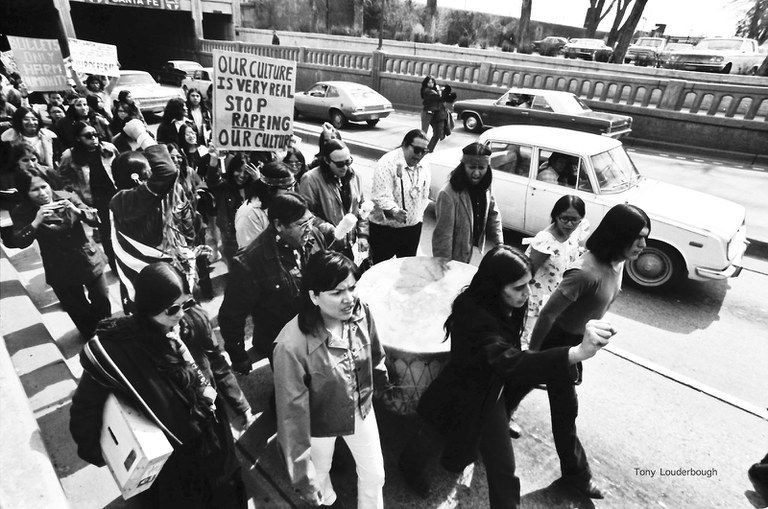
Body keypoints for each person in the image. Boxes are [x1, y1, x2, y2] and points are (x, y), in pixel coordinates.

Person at [398, 246, 615, 508]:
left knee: (503, 467)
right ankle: (408, 468)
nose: (528, 293)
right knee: (431, 435)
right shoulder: (474, 315)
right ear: (495, 286)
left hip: (490, 394)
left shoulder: (503, 304)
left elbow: (512, 358)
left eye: (529, 284)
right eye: (518, 287)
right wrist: (577, 352)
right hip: (461, 391)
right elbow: (512, 361)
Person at [69, 262, 254, 509]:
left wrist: (240, 404)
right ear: (148, 308)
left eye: (186, 303)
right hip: (176, 463)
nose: (180, 314)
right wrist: (107, 455)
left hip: (215, 438)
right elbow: (85, 407)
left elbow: (217, 362)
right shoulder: (119, 349)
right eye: (171, 309)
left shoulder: (193, 321)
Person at [527, 203, 651, 499]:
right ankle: (578, 476)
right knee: (565, 411)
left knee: (514, 388)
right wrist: (533, 353)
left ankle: (489, 420)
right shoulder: (584, 272)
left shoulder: (617, 263)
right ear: (619, 235)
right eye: (638, 237)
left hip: (574, 342)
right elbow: (548, 315)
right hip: (556, 343)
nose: (644, 245)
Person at [274, 250, 389, 508]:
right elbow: (291, 417)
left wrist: (381, 384)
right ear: (314, 296)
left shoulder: (361, 312)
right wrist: (304, 477)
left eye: (352, 288)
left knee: (375, 474)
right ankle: (327, 500)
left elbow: (375, 354)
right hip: (319, 424)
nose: (348, 299)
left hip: (361, 408)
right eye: (337, 293)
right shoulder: (290, 346)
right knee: (320, 471)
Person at [217, 192, 336, 374]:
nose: (309, 228)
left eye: (310, 221)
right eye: (301, 224)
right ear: (279, 225)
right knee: (292, 389)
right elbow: (231, 315)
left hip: (319, 330)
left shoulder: (314, 236)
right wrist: (238, 355)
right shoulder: (250, 262)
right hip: (282, 342)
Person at [11, 167, 110, 339]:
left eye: (44, 186)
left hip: (87, 259)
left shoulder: (67, 197)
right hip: (60, 268)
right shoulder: (23, 211)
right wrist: (35, 222)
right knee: (78, 311)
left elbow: (96, 220)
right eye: (34, 190)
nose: (42, 193)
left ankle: (108, 334)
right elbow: (19, 241)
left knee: (102, 299)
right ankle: (93, 339)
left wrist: (77, 211)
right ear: (25, 192)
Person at [521, 195, 589, 345]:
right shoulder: (545, 241)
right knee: (528, 340)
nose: (569, 224)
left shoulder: (575, 233)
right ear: (556, 216)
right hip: (536, 301)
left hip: (556, 299)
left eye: (575, 220)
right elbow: (527, 272)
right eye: (564, 218)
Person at [58, 121, 120, 270]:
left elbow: (120, 165)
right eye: (88, 135)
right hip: (95, 200)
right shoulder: (70, 155)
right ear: (79, 138)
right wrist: (75, 193)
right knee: (107, 234)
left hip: (115, 194)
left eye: (95, 134)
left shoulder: (108, 148)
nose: (93, 138)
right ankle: (114, 264)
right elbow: (61, 178)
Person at [432, 142, 502, 264]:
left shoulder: (486, 186)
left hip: (472, 251)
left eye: (481, 168)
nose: (476, 173)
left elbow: (493, 214)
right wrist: (443, 265)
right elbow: (443, 236)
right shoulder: (448, 194)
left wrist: (499, 243)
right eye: (471, 167)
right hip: (454, 257)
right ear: (463, 166)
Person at [299, 139, 369, 261]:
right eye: (340, 164)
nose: (345, 167)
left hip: (351, 246)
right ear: (326, 160)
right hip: (326, 248)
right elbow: (305, 214)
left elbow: (363, 208)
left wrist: (363, 235)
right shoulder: (310, 180)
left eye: (348, 162)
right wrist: (331, 230)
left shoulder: (355, 176)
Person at [369, 129, 430, 264]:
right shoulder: (387, 162)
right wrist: (394, 211)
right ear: (405, 145)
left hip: (412, 230)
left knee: (405, 270)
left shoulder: (424, 165)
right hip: (386, 231)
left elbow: (424, 195)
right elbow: (381, 195)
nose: (420, 155)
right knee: (379, 268)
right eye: (417, 150)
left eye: (424, 151)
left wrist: (418, 218)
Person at [206, 152, 255, 265]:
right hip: (231, 238)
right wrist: (214, 158)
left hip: (252, 236)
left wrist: (258, 181)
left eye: (246, 172)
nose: (242, 175)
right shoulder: (224, 187)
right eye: (238, 170)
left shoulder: (255, 188)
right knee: (234, 267)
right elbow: (212, 181)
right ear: (232, 169)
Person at [235, 160, 296, 248]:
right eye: (287, 187)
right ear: (270, 189)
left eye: (293, 186)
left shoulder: (286, 205)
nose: (292, 191)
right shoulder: (249, 214)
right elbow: (251, 253)